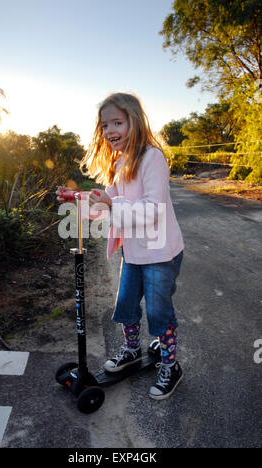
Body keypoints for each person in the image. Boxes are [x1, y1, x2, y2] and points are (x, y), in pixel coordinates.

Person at [57, 92, 184, 400]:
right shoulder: (120, 161)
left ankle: (170, 365)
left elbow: (154, 208)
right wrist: (79, 199)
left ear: (134, 121)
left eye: (117, 122)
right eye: (105, 125)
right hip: (135, 252)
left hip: (161, 253)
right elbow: (108, 201)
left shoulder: (152, 157)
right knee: (126, 305)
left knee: (158, 312)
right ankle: (131, 350)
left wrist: (112, 205)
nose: (110, 130)